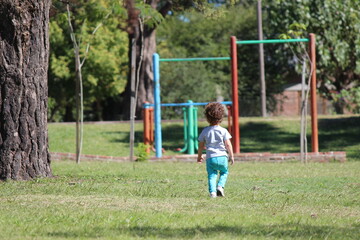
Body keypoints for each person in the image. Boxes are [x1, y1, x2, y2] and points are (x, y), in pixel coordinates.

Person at [197, 102, 235, 198]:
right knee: (224, 172)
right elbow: (228, 144)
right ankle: (220, 187)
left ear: (207, 117)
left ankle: (213, 193)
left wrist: (199, 156)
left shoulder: (205, 131)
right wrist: (232, 156)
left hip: (210, 158)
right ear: (221, 117)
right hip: (222, 157)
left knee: (212, 175)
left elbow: (201, 145)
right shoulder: (223, 131)